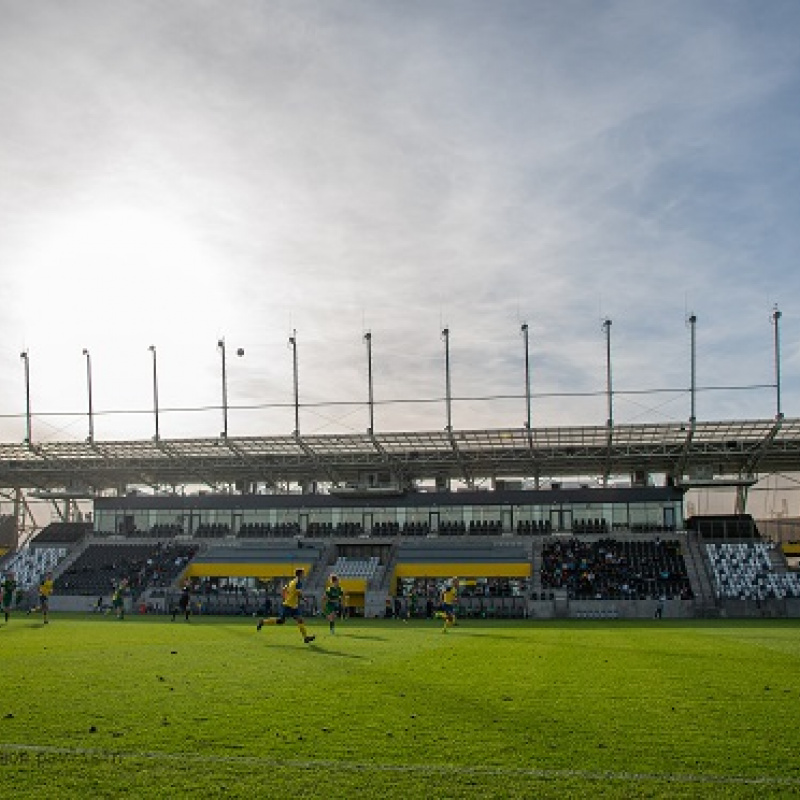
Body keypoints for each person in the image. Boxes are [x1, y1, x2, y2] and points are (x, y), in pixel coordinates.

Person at [256, 568, 315, 644]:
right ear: (300, 574)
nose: (304, 575)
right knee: (281, 621)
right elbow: (298, 593)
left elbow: (284, 589)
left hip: (292, 605)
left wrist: (285, 597)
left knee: (300, 620)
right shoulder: (298, 582)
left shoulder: (292, 581)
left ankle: (305, 638)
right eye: (303, 573)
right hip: (288, 606)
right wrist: (305, 599)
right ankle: (262, 622)